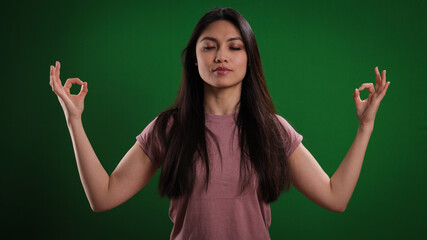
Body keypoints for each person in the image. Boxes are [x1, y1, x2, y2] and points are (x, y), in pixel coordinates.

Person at [49, 7, 390, 240]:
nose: (221, 56)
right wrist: (74, 119)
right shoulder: (169, 128)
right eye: (209, 46)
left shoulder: (272, 129)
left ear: (248, 59)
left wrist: (365, 127)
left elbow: (336, 197)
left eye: (234, 47)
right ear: (195, 61)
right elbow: (103, 197)